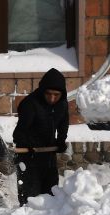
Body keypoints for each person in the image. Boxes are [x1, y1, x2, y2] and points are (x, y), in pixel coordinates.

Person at [12, 68, 69, 205]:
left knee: (51, 195)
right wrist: (30, 145)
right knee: (30, 198)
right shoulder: (30, 104)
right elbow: (18, 134)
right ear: (43, 90)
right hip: (28, 158)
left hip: (48, 157)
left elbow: (63, 124)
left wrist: (60, 140)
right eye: (48, 94)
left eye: (56, 95)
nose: (52, 98)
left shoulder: (62, 104)